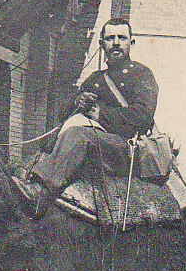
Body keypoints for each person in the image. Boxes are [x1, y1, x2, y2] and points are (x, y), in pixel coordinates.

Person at [12, 17, 159, 217]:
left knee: (77, 136)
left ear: (131, 43)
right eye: (110, 38)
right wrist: (77, 102)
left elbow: (144, 116)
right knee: (51, 142)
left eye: (122, 38)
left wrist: (101, 115)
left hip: (125, 150)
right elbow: (61, 116)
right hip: (96, 146)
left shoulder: (142, 75)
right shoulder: (95, 79)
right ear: (102, 44)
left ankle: (41, 193)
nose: (116, 43)